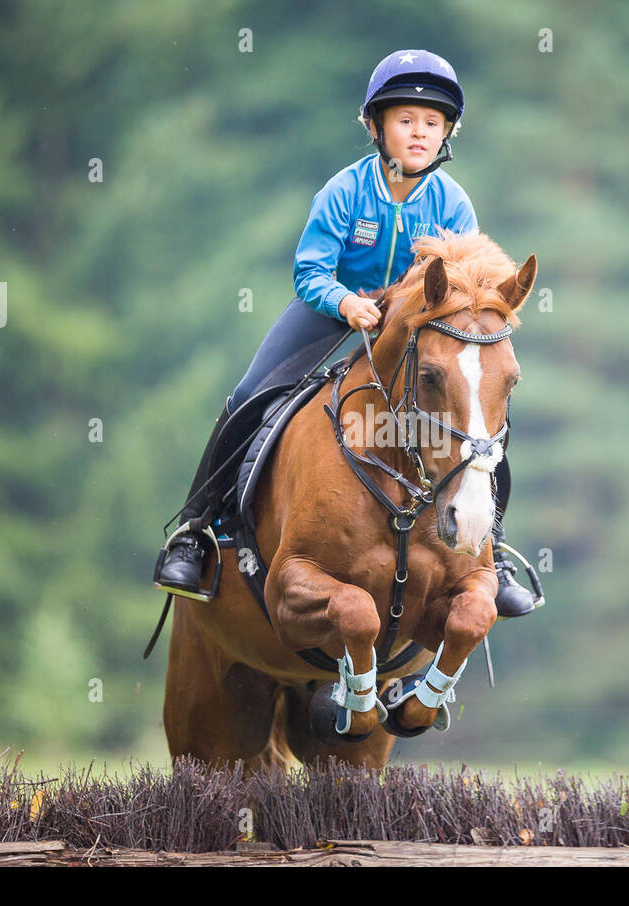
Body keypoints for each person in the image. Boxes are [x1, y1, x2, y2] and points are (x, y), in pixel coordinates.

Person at [154, 48, 535, 618]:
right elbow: (309, 270)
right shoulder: (344, 191)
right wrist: (346, 302)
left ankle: (492, 552)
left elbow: (472, 280)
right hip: (332, 311)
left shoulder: (453, 201)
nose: (419, 133)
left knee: (480, 424)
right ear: (377, 126)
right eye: (405, 120)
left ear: (447, 133)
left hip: (419, 327)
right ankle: (195, 533)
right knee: (246, 396)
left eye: (432, 124)